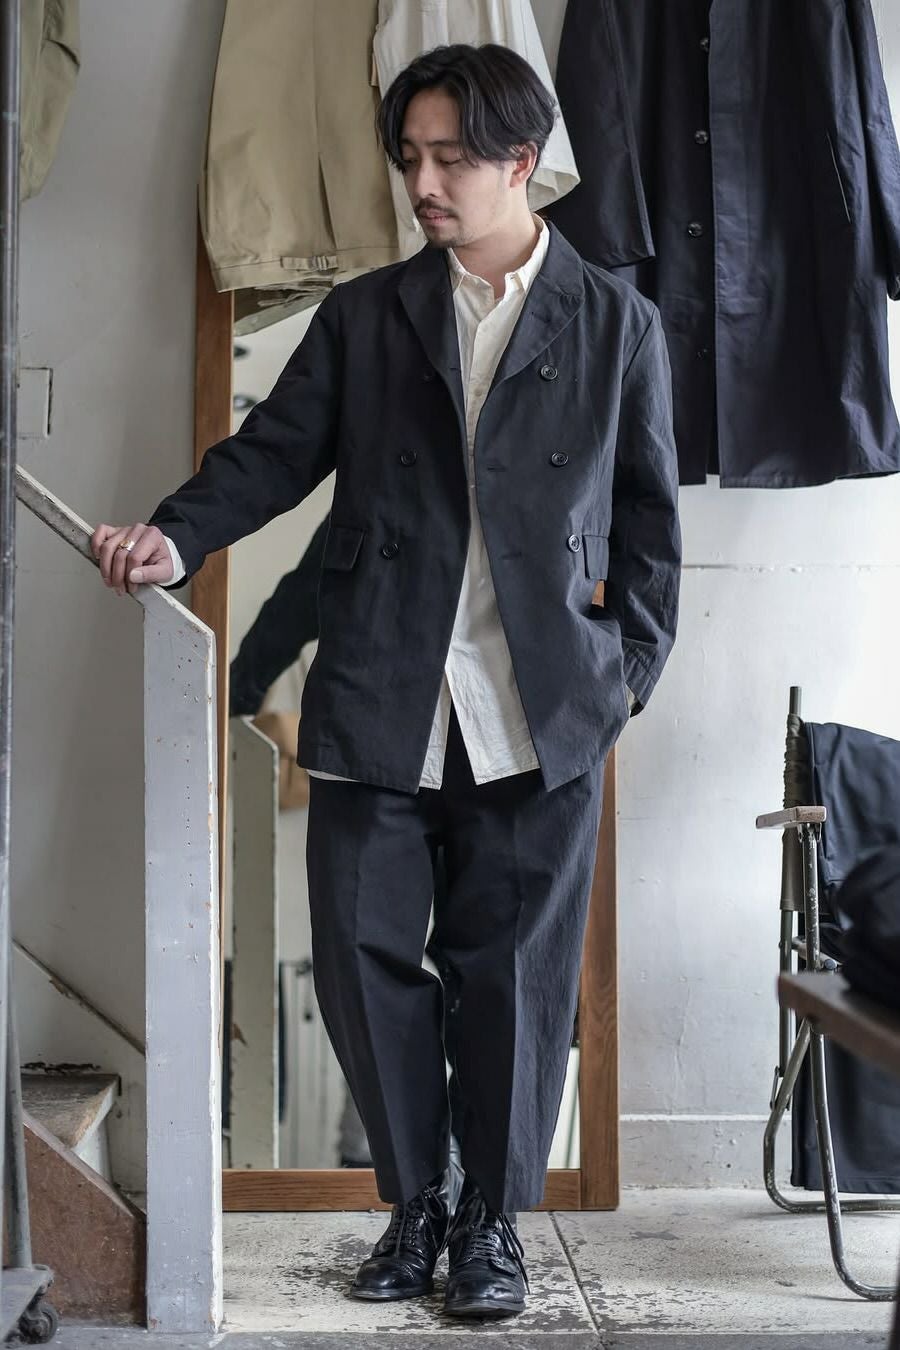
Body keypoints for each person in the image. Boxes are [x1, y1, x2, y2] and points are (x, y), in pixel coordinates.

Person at [91, 43, 681, 1321]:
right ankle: (415, 1204)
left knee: (512, 977)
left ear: (522, 161)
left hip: (540, 712)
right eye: (410, 156)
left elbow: (650, 533)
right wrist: (177, 537)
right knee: (363, 960)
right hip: (383, 690)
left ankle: (491, 1227)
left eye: (450, 158)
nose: (422, 182)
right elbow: (271, 453)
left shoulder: (616, 324)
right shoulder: (366, 317)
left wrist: (616, 684)